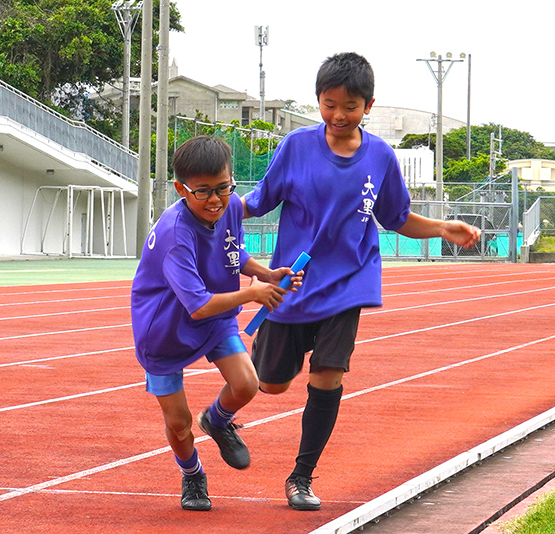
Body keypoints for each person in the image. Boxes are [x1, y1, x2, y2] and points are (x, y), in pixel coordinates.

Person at [241, 52, 481, 511]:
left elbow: (395, 217)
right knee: (269, 384)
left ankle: (301, 477)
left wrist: (442, 227)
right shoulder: (295, 146)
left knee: (328, 376)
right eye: (329, 104)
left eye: (349, 106)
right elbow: (260, 200)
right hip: (293, 280)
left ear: (368, 105)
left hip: (351, 279)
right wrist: (211, 211)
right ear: (318, 101)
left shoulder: (380, 157)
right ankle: (223, 414)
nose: (337, 115)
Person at [131, 136, 301, 511]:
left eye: (223, 188)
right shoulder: (176, 235)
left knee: (246, 383)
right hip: (165, 332)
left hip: (215, 317)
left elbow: (233, 251)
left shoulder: (231, 208)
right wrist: (253, 294)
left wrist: (267, 274)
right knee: (179, 424)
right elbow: (198, 306)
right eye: (203, 192)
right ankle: (192, 474)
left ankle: (218, 420)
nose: (215, 200)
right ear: (181, 189)